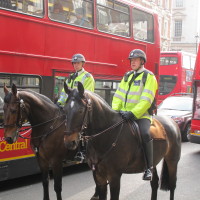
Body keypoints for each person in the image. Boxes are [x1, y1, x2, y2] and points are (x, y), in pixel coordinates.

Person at [112, 49, 158, 181]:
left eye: (135, 60)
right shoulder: (127, 76)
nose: (132, 62)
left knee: (145, 133)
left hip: (141, 115)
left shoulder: (149, 77)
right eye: (131, 60)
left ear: (142, 61)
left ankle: (149, 168)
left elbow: (146, 99)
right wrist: (115, 111)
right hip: (123, 114)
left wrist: (133, 113)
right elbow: (118, 95)